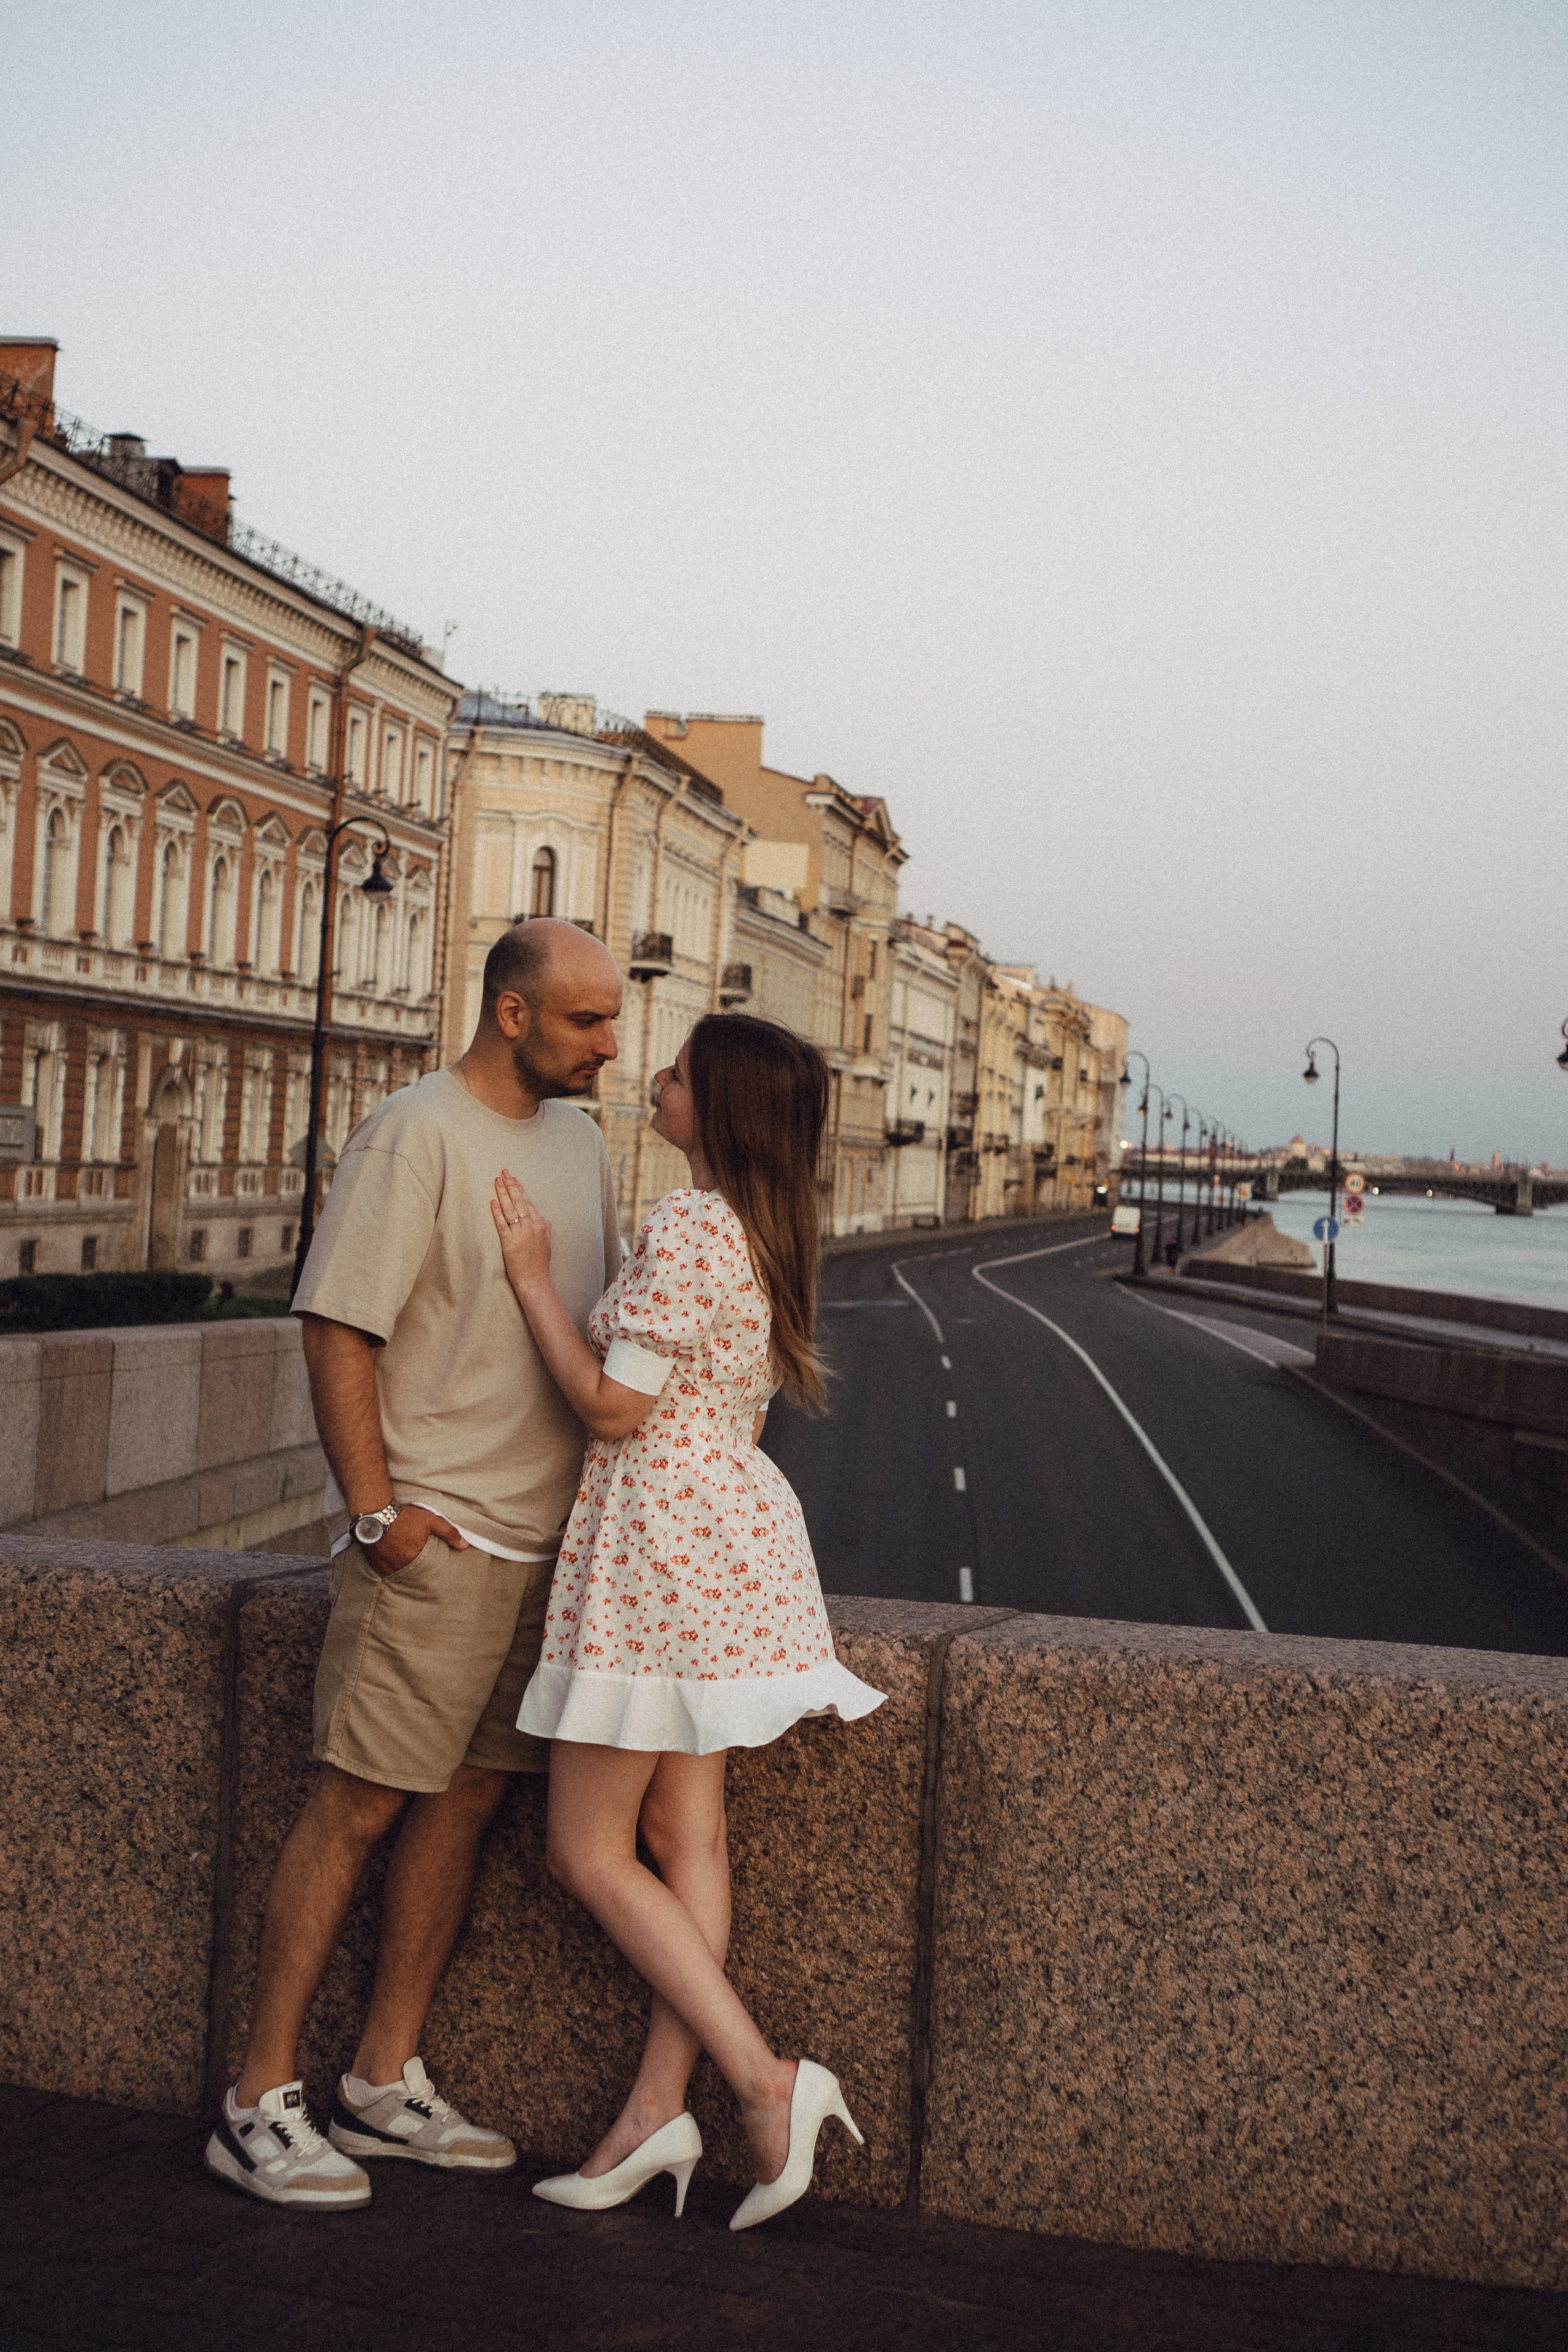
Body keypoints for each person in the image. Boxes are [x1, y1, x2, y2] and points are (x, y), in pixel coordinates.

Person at [205, 918, 625, 2209]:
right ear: (511, 1013)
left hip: (544, 1543)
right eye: (585, 1022)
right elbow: (337, 1326)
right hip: (434, 1541)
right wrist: (377, 1513)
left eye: (612, 1021)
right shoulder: (413, 1132)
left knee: (465, 1804)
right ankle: (256, 2101)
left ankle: (382, 2082)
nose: (610, 1045)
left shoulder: (582, 1139)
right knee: (357, 1804)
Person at [489, 1011, 884, 2233]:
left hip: (655, 1551)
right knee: (685, 1836)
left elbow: (612, 1408)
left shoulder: (693, 1224)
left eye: (672, 1073)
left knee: (588, 1851)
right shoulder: (767, 1232)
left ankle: (765, 2082)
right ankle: (655, 2109)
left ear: (712, 1107)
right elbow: (733, 1415)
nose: (650, 1080)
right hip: (727, 1543)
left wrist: (527, 1281)